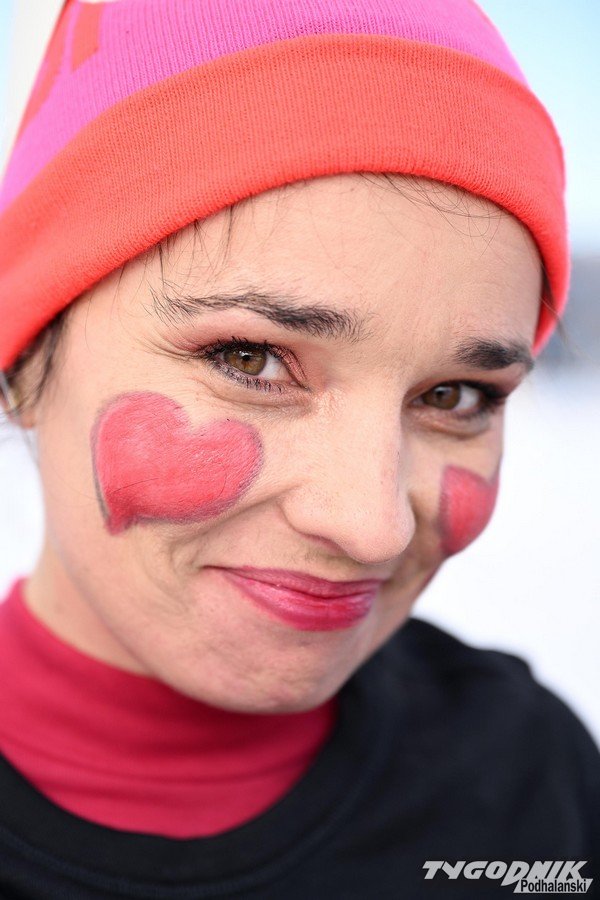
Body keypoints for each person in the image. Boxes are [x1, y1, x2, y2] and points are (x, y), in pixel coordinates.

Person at [0, 0, 597, 897]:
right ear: (23, 358)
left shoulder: (531, 779)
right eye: (250, 359)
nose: (372, 525)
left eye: (455, 397)